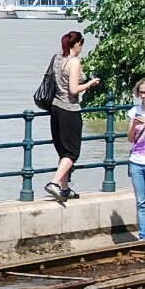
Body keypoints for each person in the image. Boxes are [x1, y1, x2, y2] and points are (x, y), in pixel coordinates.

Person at [44, 30, 101, 202]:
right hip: (70, 110)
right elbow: (74, 89)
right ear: (78, 44)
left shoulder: (57, 59)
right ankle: (54, 183)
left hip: (55, 109)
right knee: (72, 152)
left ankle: (65, 188)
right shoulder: (74, 61)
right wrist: (90, 83)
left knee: (63, 149)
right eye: (82, 44)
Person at [127, 77, 145, 240]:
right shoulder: (134, 111)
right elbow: (131, 138)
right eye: (141, 92)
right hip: (137, 161)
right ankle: (143, 236)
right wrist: (134, 124)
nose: (144, 95)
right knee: (141, 201)